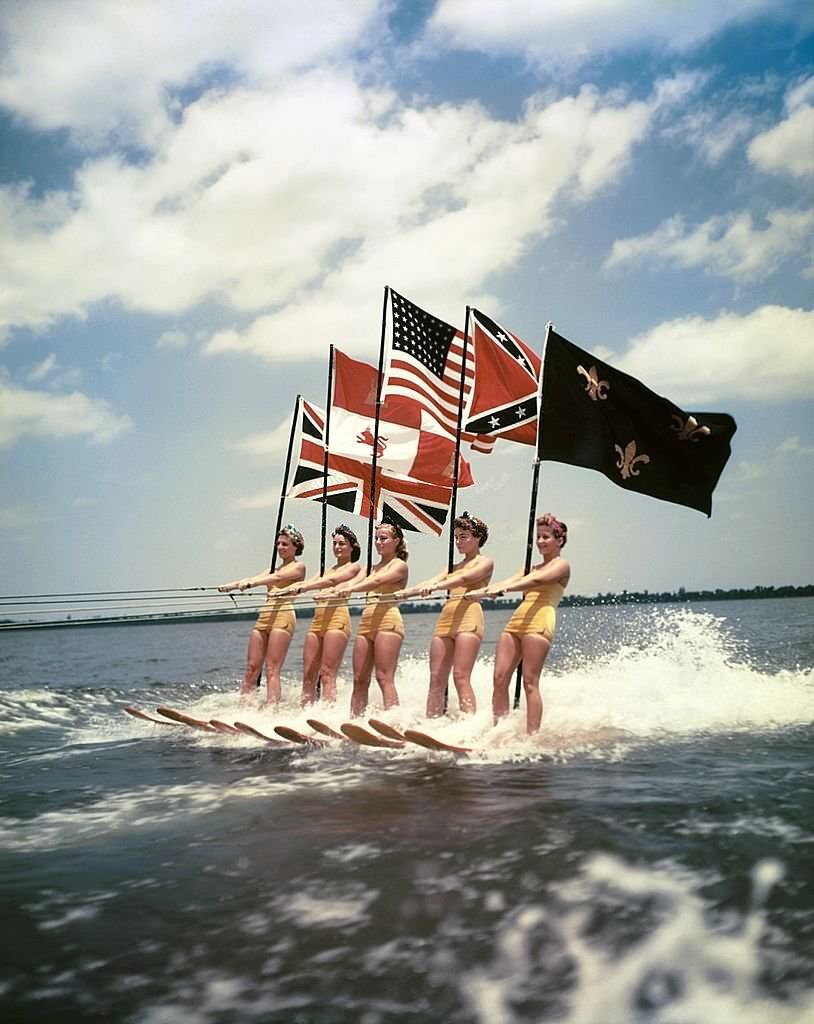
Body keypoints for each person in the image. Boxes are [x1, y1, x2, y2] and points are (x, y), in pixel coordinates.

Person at [473, 513, 570, 735]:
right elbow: (509, 581)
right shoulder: (529, 567)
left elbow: (535, 581)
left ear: (560, 540)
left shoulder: (562, 566)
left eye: (546, 537)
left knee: (529, 682)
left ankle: (531, 737)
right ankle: (500, 732)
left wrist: (505, 589)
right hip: (516, 622)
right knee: (499, 678)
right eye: (538, 537)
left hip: (539, 622)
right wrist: (481, 591)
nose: (540, 541)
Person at [395, 512, 493, 718]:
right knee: (436, 677)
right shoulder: (452, 566)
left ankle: (470, 724)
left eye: (464, 536)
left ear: (478, 538)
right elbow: (430, 581)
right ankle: (432, 722)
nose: (458, 541)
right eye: (456, 537)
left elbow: (464, 578)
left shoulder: (485, 563)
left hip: (469, 619)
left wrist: (437, 586)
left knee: (460, 676)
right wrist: (405, 592)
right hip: (446, 620)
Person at [326, 521, 409, 717]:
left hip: (388, 621)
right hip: (366, 623)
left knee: (383, 677)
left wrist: (350, 589)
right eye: (377, 539)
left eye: (384, 539)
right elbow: (356, 580)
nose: (379, 542)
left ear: (396, 541)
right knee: (359, 679)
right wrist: (334, 590)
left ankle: (393, 721)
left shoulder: (399, 565)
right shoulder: (371, 567)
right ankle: (355, 720)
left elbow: (377, 581)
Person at [217, 525, 306, 706]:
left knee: (272, 669)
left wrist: (252, 583)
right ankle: (245, 707)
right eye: (278, 544)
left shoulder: (299, 567)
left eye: (285, 544)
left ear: (295, 546)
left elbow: (276, 579)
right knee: (251, 668)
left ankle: (272, 709)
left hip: (283, 616)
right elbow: (255, 577)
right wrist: (231, 586)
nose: (280, 547)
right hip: (265, 617)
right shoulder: (272, 569)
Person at [276, 525, 363, 706]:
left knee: (326, 672)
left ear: (352, 547)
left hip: (337, 621)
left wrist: (307, 588)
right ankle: (305, 711)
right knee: (309, 673)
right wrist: (290, 588)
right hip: (318, 622)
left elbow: (333, 582)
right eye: (334, 544)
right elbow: (314, 581)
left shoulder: (354, 568)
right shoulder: (326, 570)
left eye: (342, 544)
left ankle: (327, 713)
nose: (337, 547)